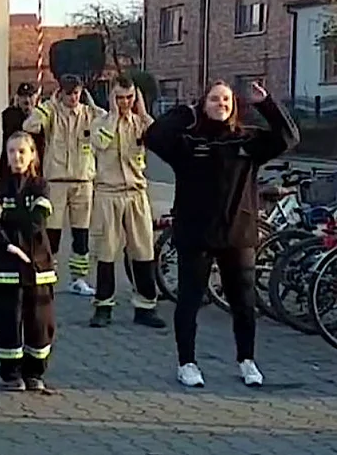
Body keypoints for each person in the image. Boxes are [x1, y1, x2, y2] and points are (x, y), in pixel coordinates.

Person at [144, 80, 298, 388]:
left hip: (237, 235)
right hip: (196, 233)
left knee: (243, 302)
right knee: (189, 301)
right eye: (214, 99)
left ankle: (247, 361)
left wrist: (265, 104)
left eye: (226, 99)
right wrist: (184, 111)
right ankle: (187, 363)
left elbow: (288, 137)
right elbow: (153, 136)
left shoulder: (248, 140)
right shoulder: (187, 142)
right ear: (204, 104)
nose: (221, 104)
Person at [0, 131, 57, 391]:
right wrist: (8, 245)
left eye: (22, 151)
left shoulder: (40, 186)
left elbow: (36, 221)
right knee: (6, 319)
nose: (16, 156)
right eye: (12, 151)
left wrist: (4, 214)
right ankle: (12, 374)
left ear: (32, 154)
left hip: (37, 267)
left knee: (40, 322)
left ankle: (34, 373)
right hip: (4, 267)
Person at [88, 76, 167, 329]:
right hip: (108, 193)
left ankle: (145, 307)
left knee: (143, 251)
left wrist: (143, 113)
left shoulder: (140, 123)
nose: (124, 103)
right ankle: (103, 306)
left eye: (129, 97)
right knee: (106, 251)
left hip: (135, 192)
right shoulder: (100, 121)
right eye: (120, 97)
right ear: (112, 97)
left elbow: (158, 138)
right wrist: (112, 116)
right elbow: (99, 143)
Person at [24, 74, 101, 296]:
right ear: (61, 93)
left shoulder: (88, 113)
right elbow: (29, 125)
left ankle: (79, 279)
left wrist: (92, 103)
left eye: (77, 93)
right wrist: (48, 104)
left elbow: (106, 120)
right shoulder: (51, 112)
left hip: (82, 181)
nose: (73, 98)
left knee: (81, 233)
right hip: (56, 181)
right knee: (52, 233)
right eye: (69, 93)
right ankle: (48, 274)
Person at [0, 82, 41, 169]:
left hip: (35, 163)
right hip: (13, 162)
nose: (27, 100)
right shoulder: (9, 115)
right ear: (18, 98)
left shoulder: (40, 115)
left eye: (30, 96)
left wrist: (34, 113)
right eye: (23, 96)